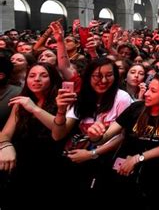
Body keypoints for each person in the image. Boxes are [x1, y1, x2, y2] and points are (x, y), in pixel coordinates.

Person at [87, 74, 159, 209]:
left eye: (153, 91)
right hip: (122, 173)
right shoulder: (136, 108)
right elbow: (106, 136)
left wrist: (137, 159)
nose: (147, 94)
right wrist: (95, 135)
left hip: (155, 179)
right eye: (148, 89)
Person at [51, 58, 133, 202]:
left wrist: (92, 154)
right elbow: (58, 135)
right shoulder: (81, 98)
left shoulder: (122, 98)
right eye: (97, 75)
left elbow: (123, 136)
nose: (103, 80)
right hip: (78, 162)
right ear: (88, 77)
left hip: (105, 163)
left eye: (109, 75)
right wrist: (61, 110)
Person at [0, 63, 66, 209]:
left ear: (53, 79)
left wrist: (34, 108)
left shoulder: (62, 103)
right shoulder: (21, 102)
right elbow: (5, 133)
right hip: (21, 164)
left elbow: (58, 134)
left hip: (49, 168)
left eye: (43, 76)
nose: (36, 79)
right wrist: (6, 146)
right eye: (32, 76)